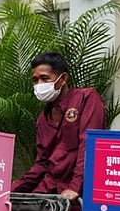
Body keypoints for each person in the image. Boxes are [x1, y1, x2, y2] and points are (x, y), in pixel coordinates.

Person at [11, 51, 106, 201]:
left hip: (80, 196)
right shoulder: (43, 118)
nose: (39, 85)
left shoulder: (86, 99)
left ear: (63, 79)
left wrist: (75, 187)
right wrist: (10, 189)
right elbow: (42, 163)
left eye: (44, 78)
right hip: (49, 191)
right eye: (35, 80)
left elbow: (88, 147)